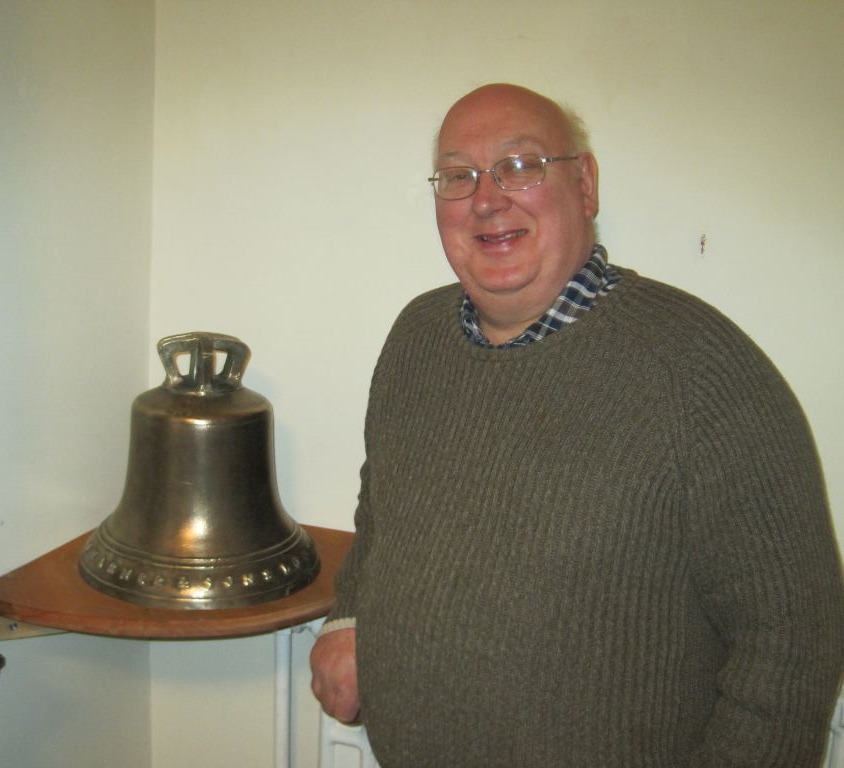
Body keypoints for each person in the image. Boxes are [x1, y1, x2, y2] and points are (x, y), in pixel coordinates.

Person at [310, 83, 844, 767]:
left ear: (585, 185)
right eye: (457, 175)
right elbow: (382, 504)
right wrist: (349, 620)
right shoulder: (416, 337)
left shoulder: (701, 370)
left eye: (520, 166)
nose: (486, 198)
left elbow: (791, 637)